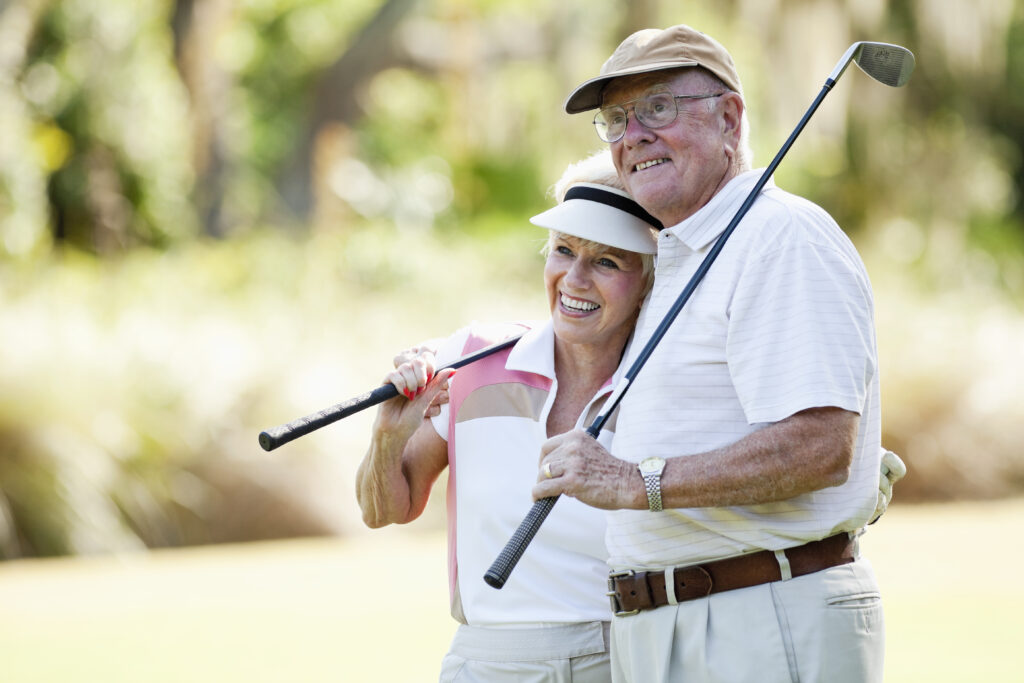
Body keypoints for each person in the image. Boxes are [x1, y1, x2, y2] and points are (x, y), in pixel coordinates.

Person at [531, 24, 897, 682]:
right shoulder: (677, 256)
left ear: (729, 117)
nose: (631, 135)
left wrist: (628, 480)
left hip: (759, 614)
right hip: (681, 623)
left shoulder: (780, 236)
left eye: (658, 108)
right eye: (615, 119)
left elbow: (819, 444)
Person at [354, 150, 662, 682]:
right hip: (487, 661)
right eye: (563, 250)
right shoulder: (474, 360)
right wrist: (387, 437)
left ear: (649, 282)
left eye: (608, 261)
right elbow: (384, 510)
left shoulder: (669, 387)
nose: (575, 279)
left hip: (628, 657)